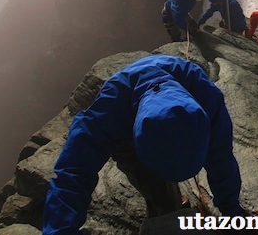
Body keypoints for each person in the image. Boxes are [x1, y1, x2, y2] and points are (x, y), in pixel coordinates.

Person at [43, 54, 245, 234]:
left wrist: (233, 213)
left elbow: (221, 159)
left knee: (156, 190)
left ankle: (166, 207)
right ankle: (164, 206)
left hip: (168, 77)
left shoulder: (204, 95)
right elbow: (72, 172)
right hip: (128, 111)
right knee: (151, 185)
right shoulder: (109, 111)